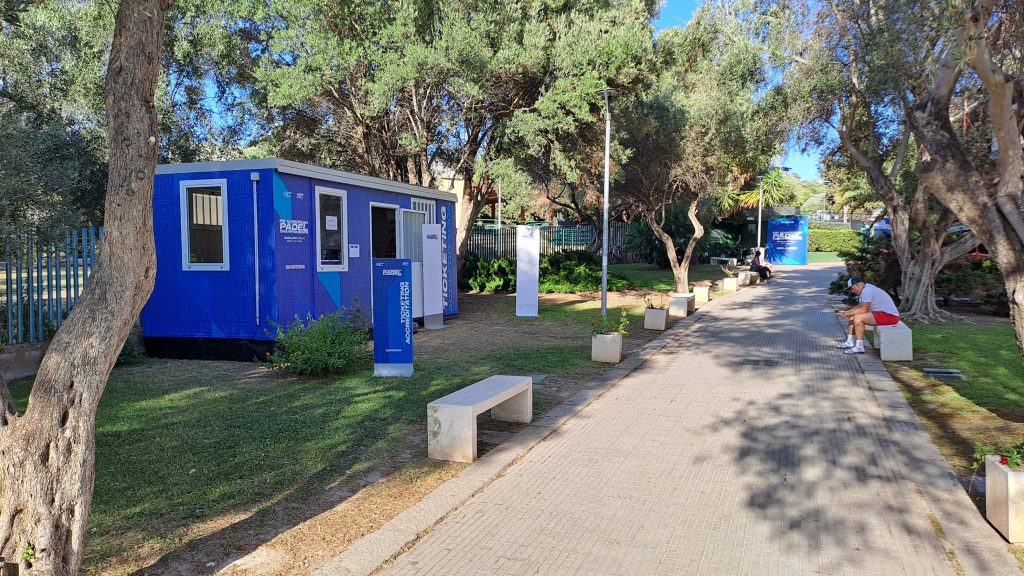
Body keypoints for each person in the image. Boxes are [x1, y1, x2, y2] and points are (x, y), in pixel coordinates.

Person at [836, 276, 900, 355]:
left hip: (890, 316)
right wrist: (847, 312)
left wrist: (846, 314)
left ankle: (859, 347)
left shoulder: (867, 291)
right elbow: (859, 306)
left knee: (858, 317)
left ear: (857, 285)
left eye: (852, 288)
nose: (852, 291)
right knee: (853, 315)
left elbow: (863, 310)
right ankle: (850, 342)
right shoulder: (865, 289)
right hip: (882, 314)